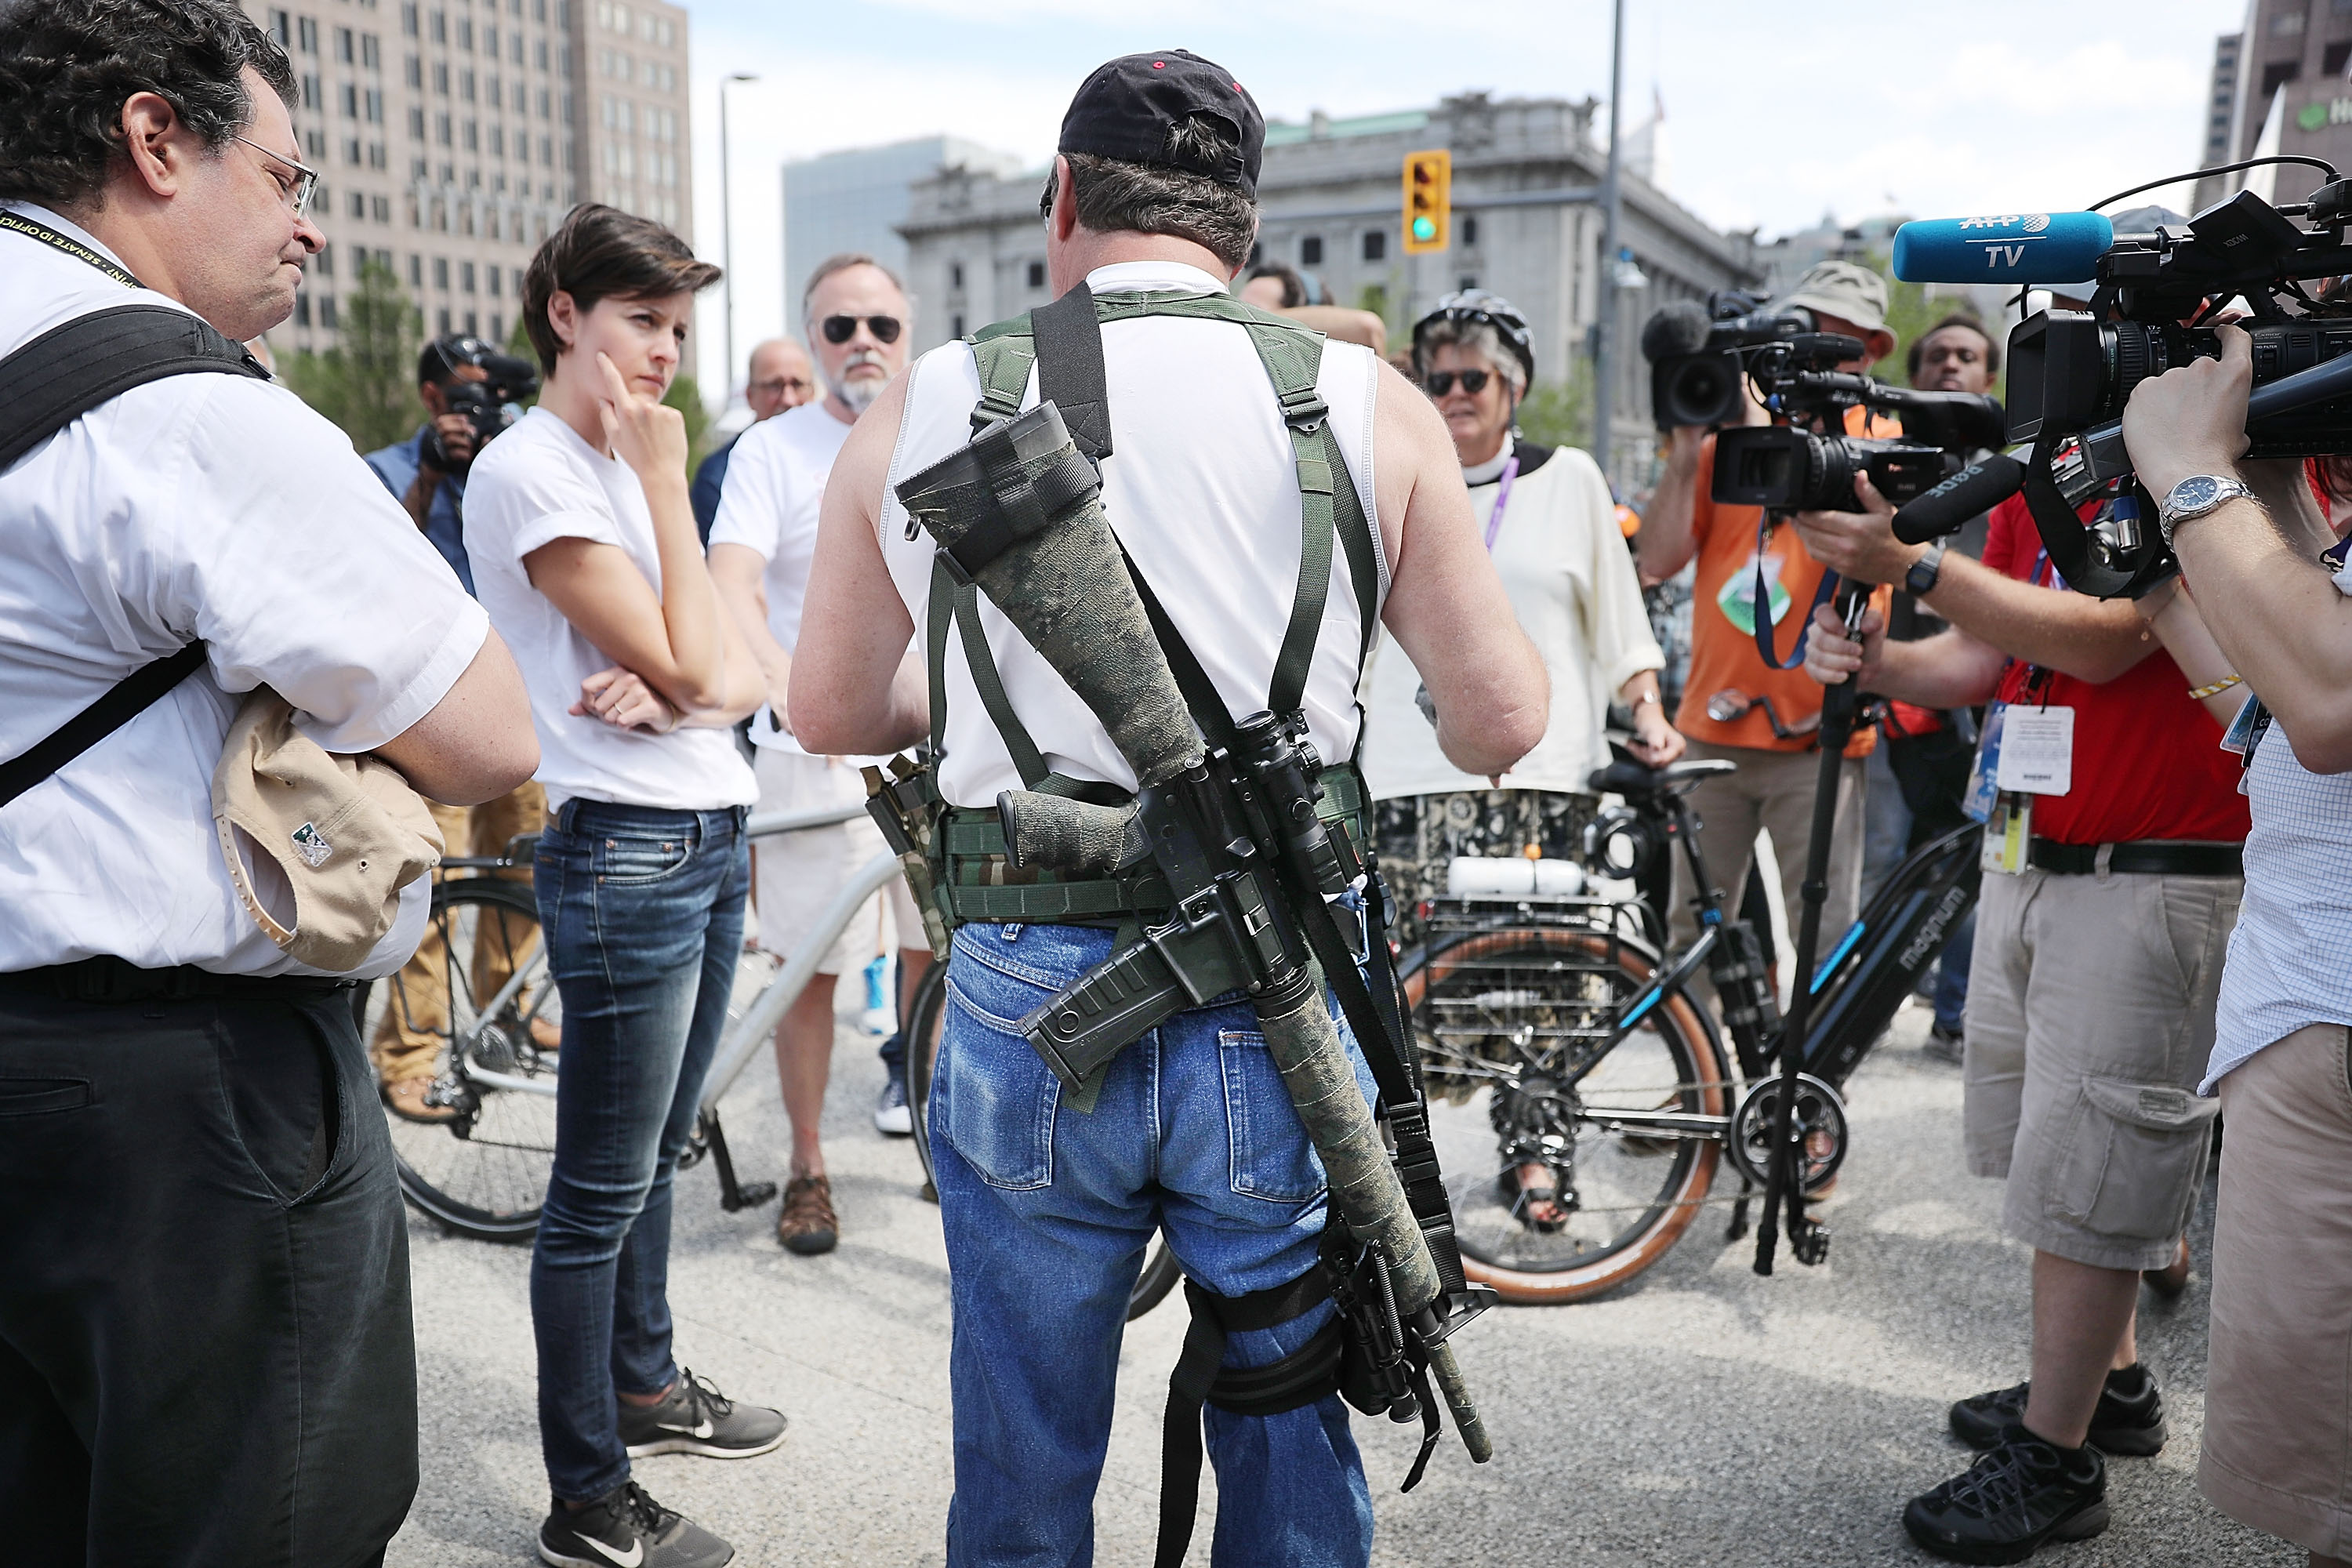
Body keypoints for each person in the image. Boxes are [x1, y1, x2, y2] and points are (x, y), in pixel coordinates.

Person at [789, 49, 1546, 1562]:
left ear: (1063, 198)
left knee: (1020, 1439)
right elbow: (1501, 723)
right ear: (1243, 229)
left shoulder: (933, 397)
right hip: (1269, 994)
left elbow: (829, 711)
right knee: (1286, 1406)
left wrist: (1019, 700)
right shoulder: (1369, 404)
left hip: (1020, 982)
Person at [0, 2, 538, 1562]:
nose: (311, 223)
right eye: (289, 175)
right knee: (258, 1514)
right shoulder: (174, 402)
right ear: (156, 140)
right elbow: (485, 731)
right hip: (180, 1108)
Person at [1795, 466, 2247, 1562]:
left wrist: (1915, 565)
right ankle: (2113, 1387)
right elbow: (1995, 660)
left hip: (2153, 867)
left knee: (2093, 1172)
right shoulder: (2052, 469)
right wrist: (1879, 660)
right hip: (2034, 844)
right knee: (2058, 1159)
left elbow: (2102, 636)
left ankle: (2058, 1459)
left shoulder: (2208, 461)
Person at [463, 202, 784, 1568]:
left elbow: (746, 668)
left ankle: (645, 1386)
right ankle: (585, 1498)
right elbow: (713, 668)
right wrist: (667, 494)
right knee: (597, 1188)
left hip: (708, 837)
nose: (664, 354)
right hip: (628, 851)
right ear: (565, 316)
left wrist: (692, 683)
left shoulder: (626, 456)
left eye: (677, 328)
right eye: (640, 321)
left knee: (661, 1153)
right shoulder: (538, 471)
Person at [2114, 323, 2352, 1568]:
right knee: (2330, 1484)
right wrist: (2184, 549)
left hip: (2331, 1023)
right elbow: (2281, 672)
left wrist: (2193, 474)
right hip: (2308, 1014)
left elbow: (2327, 703)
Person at [708, 255, 931, 1256]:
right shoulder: (772, 450)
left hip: (939, 753)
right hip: (811, 755)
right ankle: (807, 1165)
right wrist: (790, 690)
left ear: (908, 329)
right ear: (813, 338)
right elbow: (733, 582)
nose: (862, 345)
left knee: (946, 954)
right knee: (811, 973)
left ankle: (942, 1144)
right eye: (839, 328)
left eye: (880, 325)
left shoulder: (947, 428)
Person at [1366, 289, 1681, 937]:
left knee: (1550, 987)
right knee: (1420, 999)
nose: (1454, 393)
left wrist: (1648, 711)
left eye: (1473, 378)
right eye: (1438, 378)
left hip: (1548, 777)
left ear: (1514, 386)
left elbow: (1621, 624)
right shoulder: (1385, 479)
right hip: (1409, 777)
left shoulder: (1571, 479)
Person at [1633, 259, 1897, 987]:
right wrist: (1689, 448)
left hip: (1819, 735)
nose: (1816, 352)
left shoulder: (1882, 436)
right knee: (1691, 928)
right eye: (1805, 330)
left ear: (1874, 348)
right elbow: (1655, 559)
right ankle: (1705, 1086)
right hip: (1711, 730)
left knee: (1823, 933)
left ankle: (1807, 1091)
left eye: (1836, 339)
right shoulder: (1732, 445)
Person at [365, 332, 554, 1120]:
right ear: (432, 399)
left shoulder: (515, 464)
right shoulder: (386, 469)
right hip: (428, 711)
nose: (477, 411)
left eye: (490, 396)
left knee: (520, 870)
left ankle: (505, 1013)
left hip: (516, 698)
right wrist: (435, 477)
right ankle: (408, 1054)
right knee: (429, 887)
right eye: (464, 395)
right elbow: (373, 565)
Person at [1869, 310, 2003, 1062]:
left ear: (1989, 378)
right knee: (1884, 858)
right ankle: (1872, 1008)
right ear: (1914, 376)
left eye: (1967, 356)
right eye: (1938, 357)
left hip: (1980, 708)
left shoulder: (2016, 471)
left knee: (1973, 864)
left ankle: (1952, 1017)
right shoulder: (1879, 466)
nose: (1951, 366)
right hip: (1890, 698)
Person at [690, 336, 815, 541]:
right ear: (750, 395)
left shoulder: (839, 460)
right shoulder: (718, 473)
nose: (788, 399)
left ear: (812, 392)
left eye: (798, 384)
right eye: (775, 385)